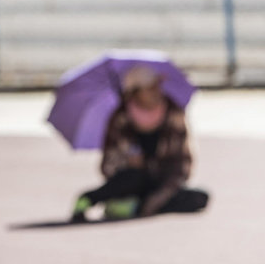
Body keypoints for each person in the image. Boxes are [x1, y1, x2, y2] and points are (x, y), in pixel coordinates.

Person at [71, 66, 208, 222]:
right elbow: (108, 165)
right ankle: (88, 199)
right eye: (150, 88)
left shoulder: (173, 115)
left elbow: (182, 162)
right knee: (132, 178)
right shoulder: (120, 119)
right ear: (135, 92)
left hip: (161, 180)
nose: (156, 92)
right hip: (131, 180)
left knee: (198, 197)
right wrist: (128, 161)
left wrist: (162, 194)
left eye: (157, 86)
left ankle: (134, 207)